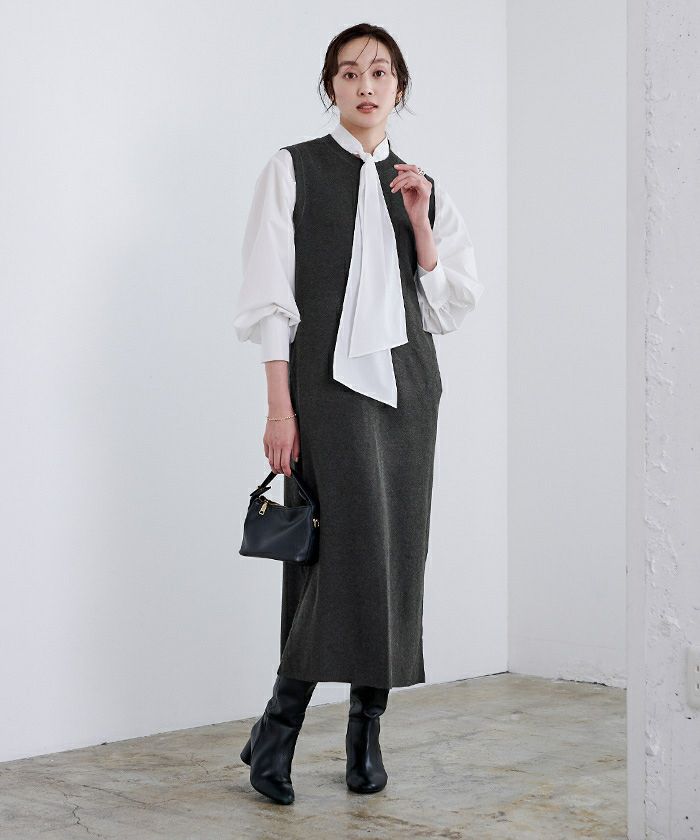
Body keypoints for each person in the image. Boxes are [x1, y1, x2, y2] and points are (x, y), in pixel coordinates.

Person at [233, 22, 484, 805]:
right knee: (336, 558)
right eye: (349, 73)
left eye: (379, 72)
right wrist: (279, 409)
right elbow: (271, 299)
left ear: (398, 86)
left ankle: (364, 733)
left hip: (409, 390)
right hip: (324, 390)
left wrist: (419, 220)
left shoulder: (422, 184)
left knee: (395, 556)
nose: (365, 85)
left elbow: (448, 307)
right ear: (331, 87)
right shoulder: (293, 170)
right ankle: (278, 728)